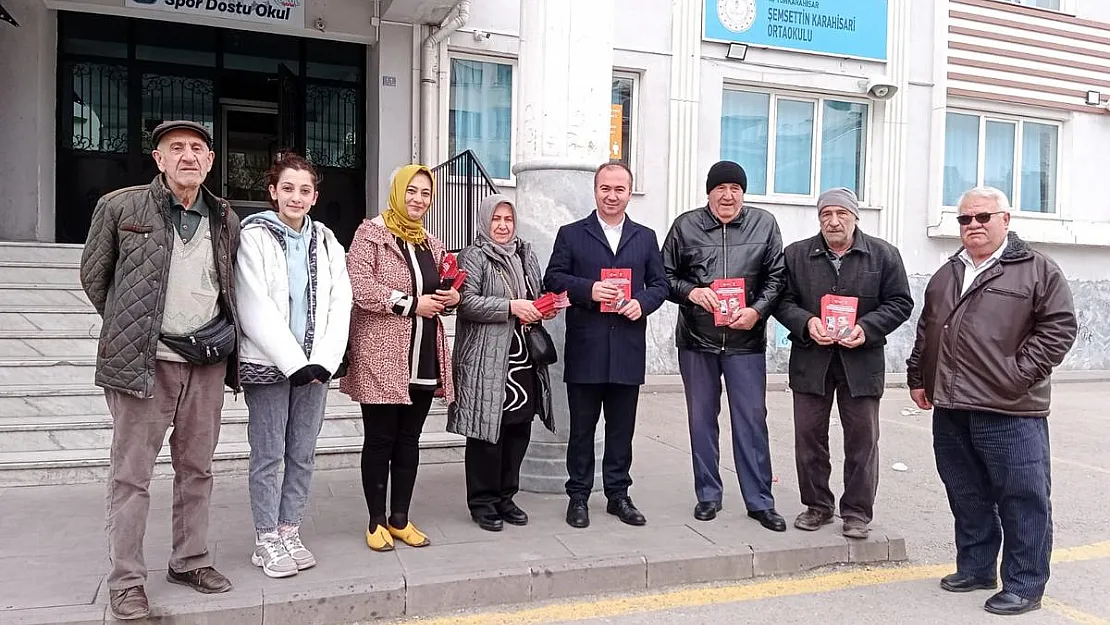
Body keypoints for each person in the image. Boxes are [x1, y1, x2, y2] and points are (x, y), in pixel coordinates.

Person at [79, 120, 239, 620]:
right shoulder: (120, 206)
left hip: (206, 362)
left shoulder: (225, 216)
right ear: (159, 159)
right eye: (176, 149)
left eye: (197, 148)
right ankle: (126, 580)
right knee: (132, 475)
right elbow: (94, 275)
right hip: (144, 363)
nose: (188, 156)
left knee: (198, 469)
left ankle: (190, 560)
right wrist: (136, 327)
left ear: (210, 161)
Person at [907, 186, 1076, 616]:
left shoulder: (1038, 270)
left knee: (1023, 497)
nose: (973, 226)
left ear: (1005, 219)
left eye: (983, 217)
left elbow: (1058, 329)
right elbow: (929, 330)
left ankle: (1024, 584)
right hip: (951, 406)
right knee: (967, 493)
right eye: (965, 219)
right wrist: (918, 376)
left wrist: (1017, 376)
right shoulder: (948, 272)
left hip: (1009, 407)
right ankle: (977, 567)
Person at [235, 153, 352, 578]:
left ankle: (289, 529)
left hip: (316, 370)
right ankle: (265, 538)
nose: (296, 197)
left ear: (315, 196)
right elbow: (253, 302)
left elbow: (342, 301)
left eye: (304, 190)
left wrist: (324, 360)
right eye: (288, 188)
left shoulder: (327, 241)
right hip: (268, 365)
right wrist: (291, 361)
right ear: (272, 192)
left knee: (302, 453)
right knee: (269, 454)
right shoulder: (254, 236)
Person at [774, 187, 913, 539]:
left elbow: (900, 302)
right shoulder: (796, 255)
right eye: (826, 215)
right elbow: (781, 301)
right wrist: (807, 323)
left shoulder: (883, 255)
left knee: (862, 439)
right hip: (811, 359)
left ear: (855, 217)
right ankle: (817, 505)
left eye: (841, 214)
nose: (833, 221)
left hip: (861, 362)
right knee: (808, 437)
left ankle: (857, 513)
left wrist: (866, 328)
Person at [661, 160, 787, 531]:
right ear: (709, 192)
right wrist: (692, 292)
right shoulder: (686, 226)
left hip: (745, 341)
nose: (727, 195)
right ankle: (708, 495)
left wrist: (757, 311)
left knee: (750, 420)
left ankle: (760, 501)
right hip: (697, 341)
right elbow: (664, 276)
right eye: (720, 188)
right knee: (701, 421)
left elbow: (777, 277)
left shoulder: (764, 224)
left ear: (743, 193)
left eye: (735, 188)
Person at [544, 161, 669, 529]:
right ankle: (579, 496)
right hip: (587, 348)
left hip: (627, 348)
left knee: (620, 430)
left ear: (629, 193)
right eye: (605, 189)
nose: (612, 196)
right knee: (582, 429)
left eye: (619, 189)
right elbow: (553, 278)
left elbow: (660, 284)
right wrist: (589, 289)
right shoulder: (572, 234)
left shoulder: (644, 237)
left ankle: (618, 495)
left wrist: (641, 303)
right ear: (595, 190)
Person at [341, 165, 460, 552]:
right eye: (411, 191)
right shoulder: (370, 234)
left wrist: (451, 298)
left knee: (409, 439)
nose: (418, 199)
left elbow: (441, 286)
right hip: (382, 354)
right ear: (396, 191)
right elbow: (360, 287)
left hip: (423, 353)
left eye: (425, 193)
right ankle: (376, 520)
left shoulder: (431, 242)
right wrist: (411, 304)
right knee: (380, 439)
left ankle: (400, 519)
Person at [449, 195, 558, 532]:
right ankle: (482, 502)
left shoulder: (525, 253)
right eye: (496, 219)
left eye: (508, 219)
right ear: (485, 221)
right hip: (486, 359)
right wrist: (512, 307)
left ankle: (506, 496)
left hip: (523, 360)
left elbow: (534, 294)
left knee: (518, 428)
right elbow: (465, 304)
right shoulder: (474, 255)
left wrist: (543, 308)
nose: (502, 226)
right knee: (486, 433)